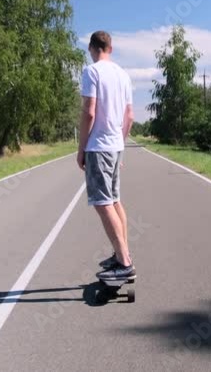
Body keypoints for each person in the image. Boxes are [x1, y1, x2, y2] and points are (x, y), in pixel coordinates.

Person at [77, 30, 136, 280]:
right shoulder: (123, 75)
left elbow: (89, 113)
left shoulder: (91, 72)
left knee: (102, 203)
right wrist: (119, 146)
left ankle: (123, 262)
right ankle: (123, 254)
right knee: (114, 201)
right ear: (110, 48)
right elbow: (129, 116)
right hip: (114, 146)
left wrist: (81, 149)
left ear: (92, 48)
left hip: (98, 147)